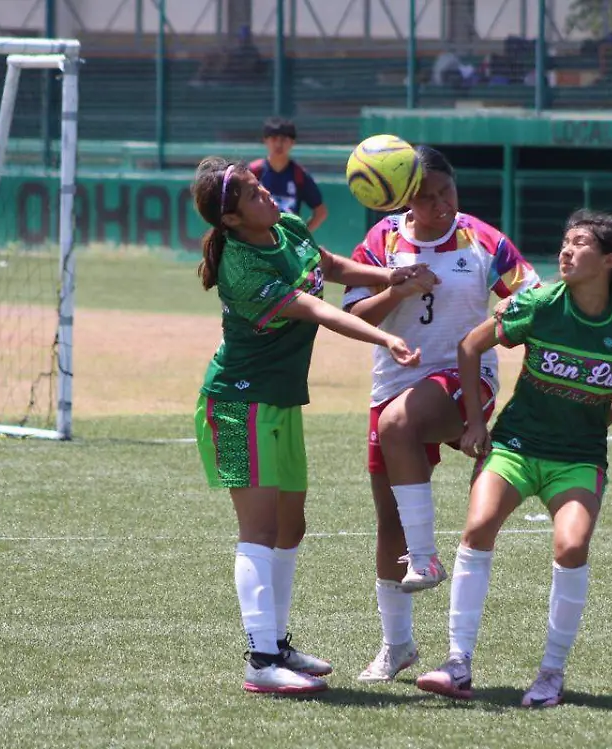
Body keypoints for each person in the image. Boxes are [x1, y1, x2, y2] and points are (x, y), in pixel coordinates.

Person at [190, 156, 426, 695]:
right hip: (234, 405)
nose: (266, 195)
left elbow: (331, 266)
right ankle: (261, 659)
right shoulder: (243, 267)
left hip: (279, 402)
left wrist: (390, 275)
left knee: (291, 526)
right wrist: (385, 335)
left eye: (260, 187)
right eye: (252, 195)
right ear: (229, 221)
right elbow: (319, 309)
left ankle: (279, 643)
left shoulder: (286, 226)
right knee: (259, 531)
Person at [414, 210, 612, 707]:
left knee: (571, 547)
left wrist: (601, 420)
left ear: (609, 260)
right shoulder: (540, 304)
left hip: (578, 457)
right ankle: (457, 664)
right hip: (515, 447)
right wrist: (477, 423)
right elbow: (470, 344)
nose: (566, 251)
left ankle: (550, 674)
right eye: (564, 241)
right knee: (478, 526)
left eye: (580, 244)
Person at [342, 145, 540, 683]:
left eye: (446, 192)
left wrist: (511, 310)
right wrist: (397, 287)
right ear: (405, 200)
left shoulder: (482, 239)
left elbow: (533, 294)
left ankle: (426, 558)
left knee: (398, 425)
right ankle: (397, 646)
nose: (440, 205)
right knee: (388, 524)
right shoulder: (382, 241)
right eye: (426, 197)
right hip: (394, 381)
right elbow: (351, 314)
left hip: (464, 378)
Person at [248, 118, 328, 232]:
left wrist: (300, 236)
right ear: (265, 140)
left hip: (286, 243)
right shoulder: (253, 172)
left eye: (284, 139)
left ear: (292, 142)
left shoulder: (299, 175)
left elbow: (321, 212)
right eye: (274, 138)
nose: (278, 144)